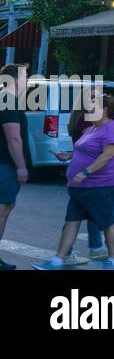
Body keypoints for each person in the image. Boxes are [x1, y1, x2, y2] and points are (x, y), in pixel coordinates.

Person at [33, 94, 114, 271]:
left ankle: (113, 262)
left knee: (107, 222)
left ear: (105, 109)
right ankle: (57, 261)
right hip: (80, 188)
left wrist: (85, 171)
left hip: (102, 184)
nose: (87, 111)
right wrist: (67, 155)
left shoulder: (112, 128)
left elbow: (108, 154)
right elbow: (85, 151)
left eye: (92, 107)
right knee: (71, 221)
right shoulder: (91, 129)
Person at [63, 90, 110, 264]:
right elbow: (91, 147)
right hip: (88, 170)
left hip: (80, 168)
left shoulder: (77, 118)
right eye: (94, 98)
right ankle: (94, 247)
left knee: (79, 212)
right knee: (84, 211)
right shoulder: (87, 120)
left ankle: (91, 247)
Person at [0, 62, 29, 271]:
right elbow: (13, 139)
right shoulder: (9, 102)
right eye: (24, 76)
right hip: (4, 166)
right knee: (2, 210)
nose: (27, 80)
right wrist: (21, 167)